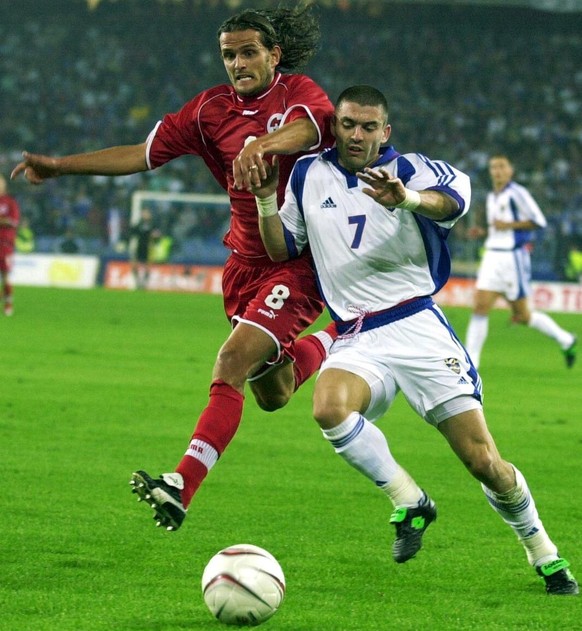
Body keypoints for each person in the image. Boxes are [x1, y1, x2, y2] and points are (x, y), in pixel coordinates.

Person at [11, 5, 335, 531]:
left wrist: (262, 145)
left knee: (230, 361)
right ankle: (339, 338)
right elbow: (140, 155)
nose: (237, 63)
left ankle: (181, 483)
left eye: (249, 52)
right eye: (229, 55)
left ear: (273, 55)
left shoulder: (299, 92)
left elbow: (311, 128)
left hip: (299, 264)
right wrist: (60, 165)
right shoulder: (209, 111)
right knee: (271, 394)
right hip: (243, 266)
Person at [253, 85, 578, 595]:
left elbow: (454, 199)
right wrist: (263, 197)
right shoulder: (306, 174)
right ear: (334, 125)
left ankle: (545, 553)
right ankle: (410, 499)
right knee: (327, 407)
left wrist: (405, 198)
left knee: (483, 461)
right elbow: (281, 247)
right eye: (347, 124)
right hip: (359, 332)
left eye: (368, 126)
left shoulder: (413, 169)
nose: (356, 135)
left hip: (418, 327)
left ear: (386, 131)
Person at [465, 155, 577, 369]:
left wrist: (509, 224)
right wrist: (484, 231)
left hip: (511, 258)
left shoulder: (517, 193)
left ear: (510, 171)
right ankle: (472, 365)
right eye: (493, 167)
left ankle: (566, 339)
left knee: (523, 315)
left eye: (501, 167)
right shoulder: (492, 197)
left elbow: (538, 221)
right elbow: (498, 228)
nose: (497, 171)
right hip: (492, 255)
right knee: (480, 306)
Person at [0, 174, 21, 316]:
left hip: (5, 244)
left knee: (6, 275)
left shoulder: (10, 202)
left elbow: (13, 222)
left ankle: (8, 303)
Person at [128, 207, 159, 289]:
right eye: (144, 213)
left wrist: (156, 235)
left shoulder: (153, 224)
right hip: (139, 246)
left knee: (147, 265)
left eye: (147, 213)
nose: (145, 215)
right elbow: (132, 233)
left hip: (148, 247)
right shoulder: (139, 224)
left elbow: (157, 236)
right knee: (134, 264)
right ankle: (137, 281)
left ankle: (145, 283)